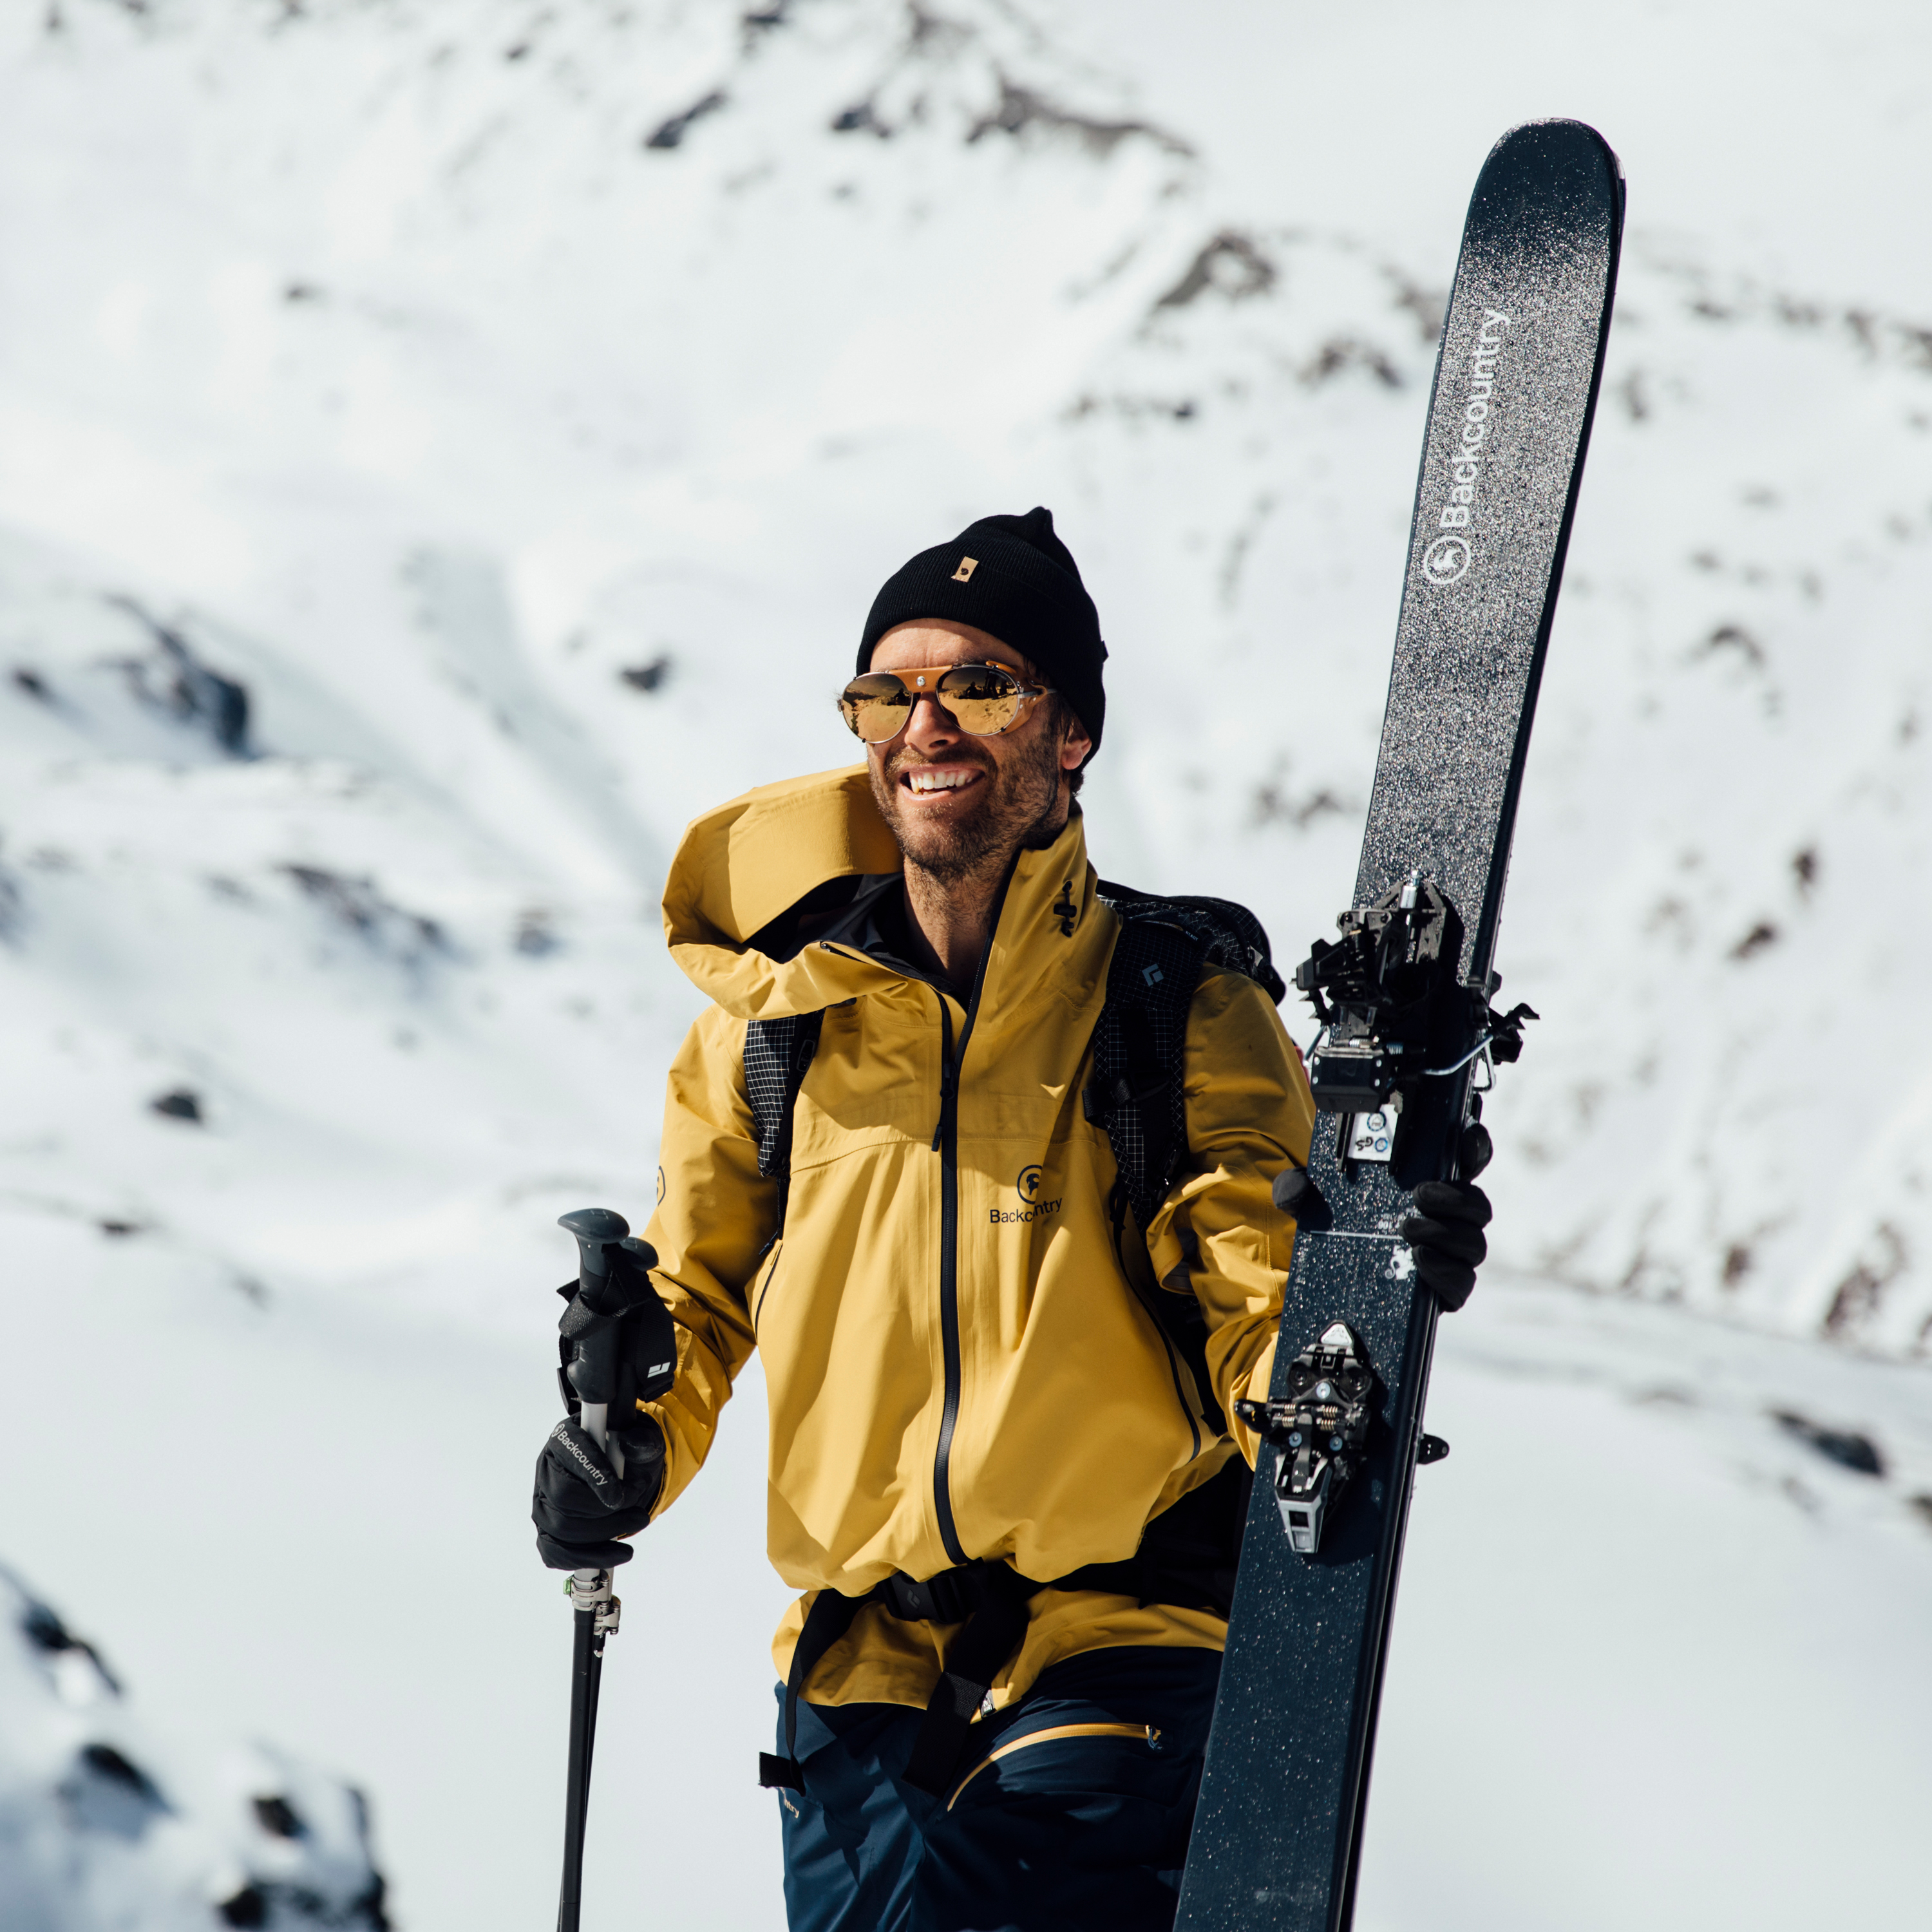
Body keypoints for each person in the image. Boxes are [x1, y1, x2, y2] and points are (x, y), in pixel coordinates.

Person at [531, 508, 1492, 1932]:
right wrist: (628, 1446)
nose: (926, 725)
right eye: (889, 693)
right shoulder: (770, 1028)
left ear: (1071, 733)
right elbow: (699, 1299)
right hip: (856, 1674)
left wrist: (1344, 1334)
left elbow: (1257, 1295)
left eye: (979, 686)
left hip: (1125, 1628)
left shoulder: (1173, 1005)